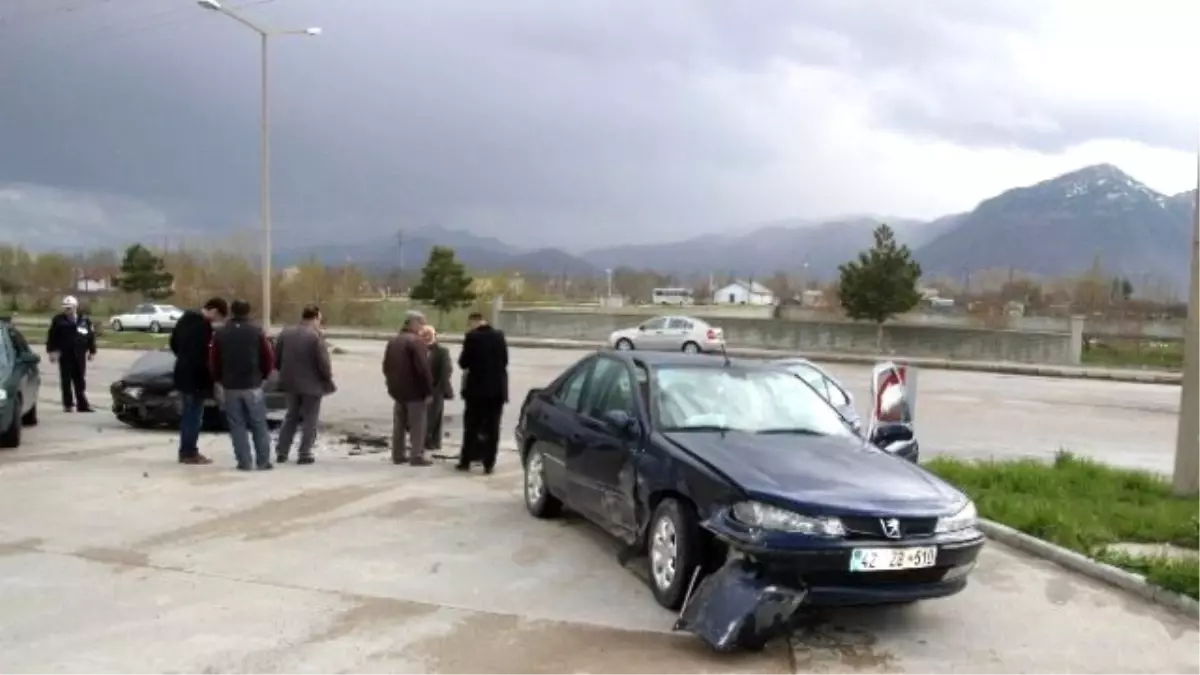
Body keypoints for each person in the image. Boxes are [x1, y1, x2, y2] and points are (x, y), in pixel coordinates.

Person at [209, 299, 275, 471]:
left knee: (237, 425)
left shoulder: (221, 333)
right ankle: (263, 460)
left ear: (231, 311)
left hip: (230, 385)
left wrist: (218, 378)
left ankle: (244, 461)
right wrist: (264, 376)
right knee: (259, 423)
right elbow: (268, 357)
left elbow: (214, 359)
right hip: (252, 384)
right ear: (248, 312)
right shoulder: (256, 332)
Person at [169, 297, 229, 465]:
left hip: (181, 373)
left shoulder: (184, 320)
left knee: (188, 414)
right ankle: (189, 452)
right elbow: (204, 357)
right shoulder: (202, 327)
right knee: (194, 416)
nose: (216, 321)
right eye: (218, 317)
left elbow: (173, 343)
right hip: (195, 377)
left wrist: (182, 358)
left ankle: (185, 449)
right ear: (214, 311)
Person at [274, 304, 336, 465]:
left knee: (291, 416)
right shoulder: (315, 337)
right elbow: (323, 362)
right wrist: (327, 378)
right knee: (310, 418)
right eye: (319, 320)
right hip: (312, 384)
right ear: (315, 318)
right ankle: (304, 452)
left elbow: (277, 358)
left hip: (289, 383)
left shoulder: (286, 333)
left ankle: (282, 451)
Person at [457, 312, 508, 474]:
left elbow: (463, 362)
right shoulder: (499, 336)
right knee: (493, 427)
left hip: (476, 391)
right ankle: (489, 463)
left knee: (471, 426)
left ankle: (466, 461)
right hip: (497, 390)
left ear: (474, 322)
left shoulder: (472, 337)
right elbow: (505, 361)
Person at [382, 310, 434, 467]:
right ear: (414, 323)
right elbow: (423, 369)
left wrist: (391, 385)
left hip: (397, 390)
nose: (424, 327)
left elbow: (386, 366)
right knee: (417, 424)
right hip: (415, 391)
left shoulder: (393, 341)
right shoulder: (416, 342)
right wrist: (428, 391)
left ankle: (397, 454)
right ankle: (416, 455)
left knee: (399, 423)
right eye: (422, 323)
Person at [45, 295, 97, 413]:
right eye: (66, 308)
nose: (67, 310)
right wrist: (52, 351)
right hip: (65, 355)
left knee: (80, 379)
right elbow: (52, 336)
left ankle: (82, 404)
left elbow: (90, 337)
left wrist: (92, 351)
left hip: (79, 355)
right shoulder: (58, 320)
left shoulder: (84, 320)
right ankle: (68, 404)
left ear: (75, 307)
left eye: (70, 308)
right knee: (66, 380)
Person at [419, 325, 454, 452]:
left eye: (428, 334)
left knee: (434, 416)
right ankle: (424, 441)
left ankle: (433, 441)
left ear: (434, 336)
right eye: (423, 335)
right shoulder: (417, 350)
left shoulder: (442, 351)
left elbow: (446, 371)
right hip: (420, 389)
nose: (425, 337)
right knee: (422, 416)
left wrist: (437, 389)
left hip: (436, 389)